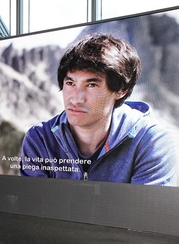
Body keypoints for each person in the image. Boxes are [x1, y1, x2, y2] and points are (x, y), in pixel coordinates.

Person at [20, 34, 179, 186]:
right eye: (70, 83)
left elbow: (143, 213)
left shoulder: (153, 142)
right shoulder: (39, 138)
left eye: (91, 85)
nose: (76, 99)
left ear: (121, 90)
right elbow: (32, 209)